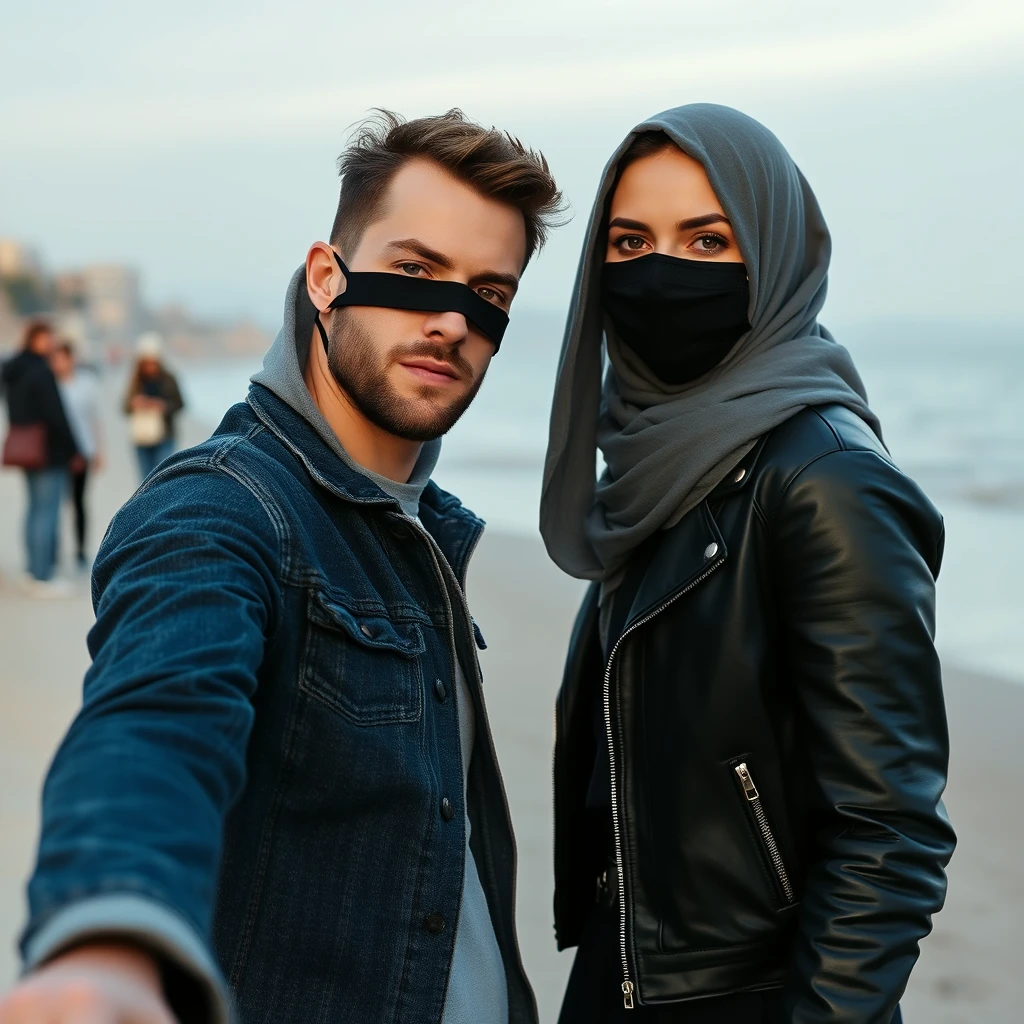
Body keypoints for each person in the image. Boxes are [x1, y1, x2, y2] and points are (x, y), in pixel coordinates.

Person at [0, 109, 563, 1024]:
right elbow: (154, 722)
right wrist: (107, 940)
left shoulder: (424, 527)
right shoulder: (222, 507)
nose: (451, 322)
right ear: (326, 277)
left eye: (488, 295)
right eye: (415, 272)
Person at [541, 105, 955, 1024]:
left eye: (708, 238)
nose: (661, 271)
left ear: (771, 253)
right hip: (627, 981)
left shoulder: (825, 482)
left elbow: (891, 834)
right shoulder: (652, 463)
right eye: (630, 240)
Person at [1, 321, 79, 596]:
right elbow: (56, 415)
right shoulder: (40, 371)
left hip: (27, 448)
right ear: (36, 339)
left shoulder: (13, 371)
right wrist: (74, 447)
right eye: (48, 339)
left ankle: (32, 571)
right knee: (47, 512)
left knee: (34, 509)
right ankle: (42, 576)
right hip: (48, 451)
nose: (52, 344)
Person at [50, 340, 103, 569]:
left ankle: (80, 550)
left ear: (71, 359)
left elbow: (95, 420)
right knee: (54, 502)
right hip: (56, 453)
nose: (59, 363)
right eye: (56, 359)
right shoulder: (49, 385)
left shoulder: (86, 383)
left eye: (63, 358)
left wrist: (100, 451)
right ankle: (53, 551)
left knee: (79, 502)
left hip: (83, 451)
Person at [123, 333, 183, 480]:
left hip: (165, 435)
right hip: (142, 436)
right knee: (145, 479)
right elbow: (124, 407)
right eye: (146, 362)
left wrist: (163, 406)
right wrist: (136, 404)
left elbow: (180, 404)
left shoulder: (169, 378)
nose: (150, 366)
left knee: (164, 477)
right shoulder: (136, 381)